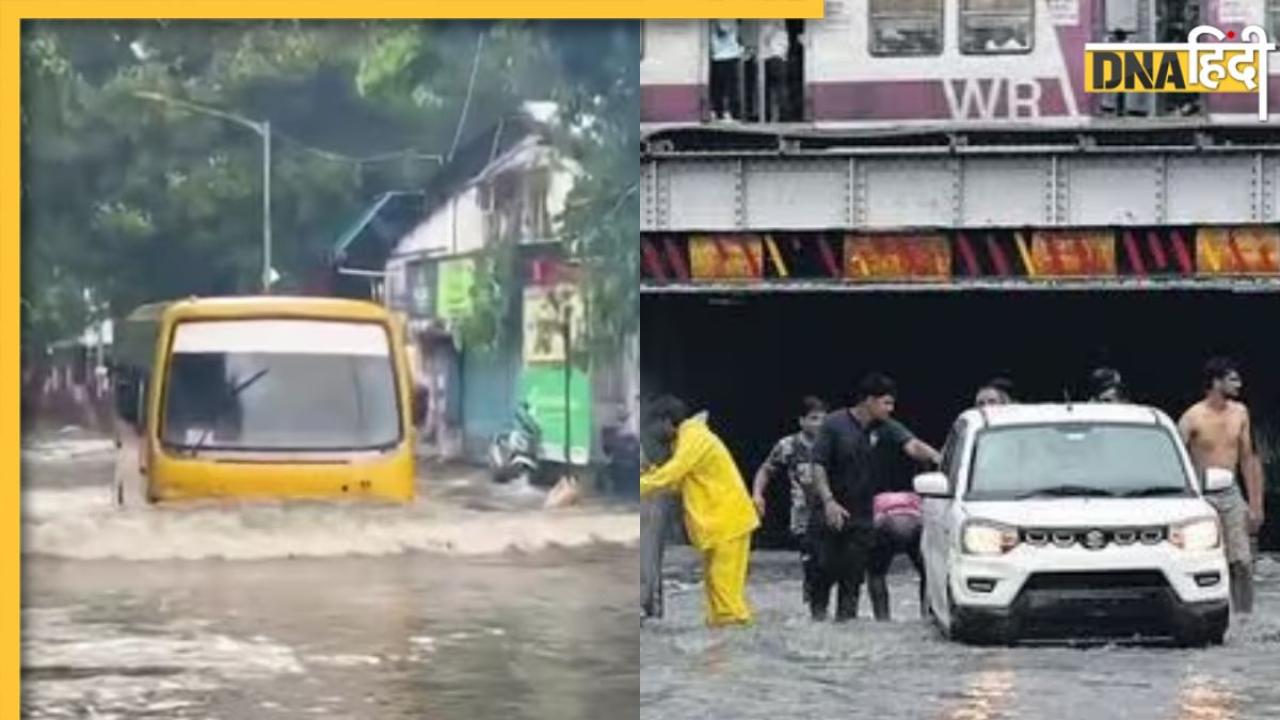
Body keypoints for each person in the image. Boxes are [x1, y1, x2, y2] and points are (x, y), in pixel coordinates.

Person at [640, 395, 759, 627]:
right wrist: (650, 475)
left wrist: (636, 486)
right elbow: (677, 482)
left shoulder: (693, 436)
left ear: (666, 421)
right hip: (718, 525)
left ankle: (738, 648)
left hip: (728, 522)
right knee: (715, 591)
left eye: (653, 426)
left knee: (726, 596)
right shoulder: (686, 440)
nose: (653, 433)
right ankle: (719, 653)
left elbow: (673, 473)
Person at [808, 372, 908, 621]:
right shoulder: (833, 424)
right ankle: (817, 621)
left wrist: (940, 459)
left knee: (852, 579)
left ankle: (845, 634)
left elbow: (912, 444)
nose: (891, 408)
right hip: (828, 512)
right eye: (886, 402)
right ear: (869, 401)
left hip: (862, 516)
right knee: (823, 569)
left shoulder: (886, 427)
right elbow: (818, 464)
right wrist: (829, 501)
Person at [1178, 357, 1266, 614]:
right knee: (1205, 559)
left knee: (1243, 561)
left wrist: (1256, 504)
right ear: (1216, 382)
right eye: (1233, 379)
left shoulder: (1240, 412)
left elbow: (1249, 458)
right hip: (1200, 496)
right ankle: (1208, 613)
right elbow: (1175, 460)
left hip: (1230, 492)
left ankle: (1245, 618)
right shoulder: (1192, 417)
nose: (1239, 384)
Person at [751, 396, 826, 606]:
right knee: (811, 561)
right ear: (801, 421)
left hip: (830, 510)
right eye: (813, 418)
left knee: (832, 563)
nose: (819, 424)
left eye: (823, 419)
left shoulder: (832, 442)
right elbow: (766, 470)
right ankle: (814, 606)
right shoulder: (788, 445)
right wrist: (758, 494)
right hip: (803, 515)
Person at [866, 415, 941, 621]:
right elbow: (921, 452)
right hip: (912, 516)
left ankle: (882, 619)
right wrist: (943, 462)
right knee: (929, 572)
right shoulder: (898, 433)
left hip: (883, 515)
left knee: (876, 573)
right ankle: (928, 615)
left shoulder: (858, 434)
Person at [640, 399, 679, 620]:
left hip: (653, 508)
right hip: (652, 507)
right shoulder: (654, 442)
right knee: (651, 562)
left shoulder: (656, 441)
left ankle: (651, 610)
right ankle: (652, 610)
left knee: (650, 562)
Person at [710, 20, 744, 121]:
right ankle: (720, 112)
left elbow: (722, 30)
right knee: (721, 88)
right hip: (720, 56)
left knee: (728, 88)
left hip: (727, 56)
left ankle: (730, 112)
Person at [759, 19, 789, 122]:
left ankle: (770, 115)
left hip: (771, 57)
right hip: (779, 58)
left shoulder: (769, 28)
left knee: (769, 89)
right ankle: (781, 115)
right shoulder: (783, 32)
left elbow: (766, 40)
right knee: (779, 87)